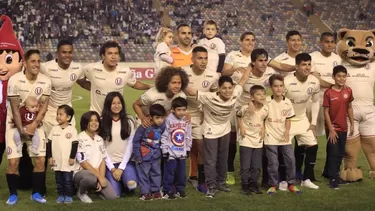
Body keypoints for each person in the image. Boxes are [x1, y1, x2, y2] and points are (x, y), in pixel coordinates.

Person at [184, 66, 251, 198]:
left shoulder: (235, 93)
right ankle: (211, 186)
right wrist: (179, 77)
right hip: (210, 130)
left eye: (229, 88)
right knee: (211, 159)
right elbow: (191, 91)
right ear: (219, 89)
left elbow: (243, 81)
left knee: (223, 158)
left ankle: (221, 182)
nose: (227, 91)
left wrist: (249, 66)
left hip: (225, 129)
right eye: (224, 88)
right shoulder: (208, 97)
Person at [5, 49, 51, 205]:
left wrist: (32, 126)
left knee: (40, 159)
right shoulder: (15, 80)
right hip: (14, 126)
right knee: (13, 162)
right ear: (24, 63)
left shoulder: (45, 81)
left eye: (39, 61)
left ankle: (36, 193)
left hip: (35, 125)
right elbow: (15, 107)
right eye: (33, 61)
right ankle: (13, 195)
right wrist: (21, 129)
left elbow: (44, 107)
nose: (37, 64)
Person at [181, 46, 219, 192]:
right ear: (192, 59)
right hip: (181, 115)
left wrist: (206, 112)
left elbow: (214, 96)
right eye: (200, 58)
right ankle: (173, 180)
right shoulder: (183, 72)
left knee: (202, 147)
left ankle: (201, 180)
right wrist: (180, 113)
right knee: (176, 147)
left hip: (199, 115)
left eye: (205, 58)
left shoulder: (213, 76)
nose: (203, 61)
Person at [83, 41, 152, 114]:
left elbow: (134, 84)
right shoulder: (92, 68)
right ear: (103, 56)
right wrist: (91, 87)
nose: (113, 57)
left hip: (116, 116)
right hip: (97, 116)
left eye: (116, 53)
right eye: (110, 53)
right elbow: (80, 77)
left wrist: (148, 86)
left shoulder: (125, 71)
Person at [284, 53, 320, 190]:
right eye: (304, 64)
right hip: (287, 120)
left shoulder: (314, 81)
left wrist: (313, 123)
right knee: (284, 150)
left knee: (313, 146)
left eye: (309, 64)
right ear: (296, 66)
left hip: (302, 119)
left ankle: (307, 178)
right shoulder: (287, 81)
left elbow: (316, 101)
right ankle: (284, 179)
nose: (307, 67)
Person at [40, 39, 87, 135]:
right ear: (57, 53)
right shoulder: (46, 68)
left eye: (70, 52)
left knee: (68, 143)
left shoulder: (77, 68)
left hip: (68, 111)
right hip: (50, 112)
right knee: (49, 145)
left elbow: (83, 83)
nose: (67, 55)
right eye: (64, 52)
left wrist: (101, 87)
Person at [264, 74, 301, 195]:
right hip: (270, 136)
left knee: (290, 160)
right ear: (271, 87)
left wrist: (287, 132)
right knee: (273, 163)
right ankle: (273, 185)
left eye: (281, 86)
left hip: (284, 136)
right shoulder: (266, 101)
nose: (278, 89)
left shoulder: (288, 102)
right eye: (275, 86)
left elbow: (288, 119)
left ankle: (291, 184)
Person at [100, 92, 138, 197]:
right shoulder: (102, 121)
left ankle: (124, 180)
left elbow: (130, 145)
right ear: (108, 105)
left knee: (132, 185)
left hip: (125, 163)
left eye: (119, 103)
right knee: (115, 194)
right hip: (109, 164)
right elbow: (101, 148)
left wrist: (121, 168)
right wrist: (112, 168)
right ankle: (118, 182)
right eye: (113, 103)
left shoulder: (128, 120)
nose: (117, 106)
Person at [74, 111, 118, 203]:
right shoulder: (79, 138)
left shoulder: (100, 139)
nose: (94, 123)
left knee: (112, 197)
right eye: (91, 121)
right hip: (82, 173)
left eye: (96, 120)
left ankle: (94, 190)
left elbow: (102, 161)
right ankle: (81, 192)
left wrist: (101, 177)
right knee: (90, 179)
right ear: (86, 123)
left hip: (97, 173)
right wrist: (99, 178)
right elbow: (84, 163)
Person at [322, 65, 354, 189]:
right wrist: (331, 129)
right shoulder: (328, 93)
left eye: (344, 76)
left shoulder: (348, 91)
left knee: (340, 153)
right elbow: (325, 112)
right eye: (339, 76)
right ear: (333, 77)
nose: (341, 79)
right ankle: (333, 179)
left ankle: (328, 173)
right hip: (333, 128)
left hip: (344, 127)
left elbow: (349, 108)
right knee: (334, 153)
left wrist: (352, 123)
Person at [309, 32, 342, 138]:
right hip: (316, 99)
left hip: (333, 99)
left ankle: (332, 154)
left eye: (332, 42)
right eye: (327, 42)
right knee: (312, 131)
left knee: (331, 130)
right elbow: (316, 80)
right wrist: (334, 86)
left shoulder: (337, 59)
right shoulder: (313, 57)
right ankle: (308, 153)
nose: (330, 45)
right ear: (321, 43)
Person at [237, 85, 268, 195]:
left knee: (256, 165)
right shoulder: (246, 108)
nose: (262, 96)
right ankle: (245, 186)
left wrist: (263, 130)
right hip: (246, 139)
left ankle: (254, 184)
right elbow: (238, 116)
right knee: (246, 165)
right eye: (259, 94)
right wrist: (241, 128)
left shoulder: (265, 108)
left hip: (258, 139)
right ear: (252, 97)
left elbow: (263, 119)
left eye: (263, 94)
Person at [133, 104, 166, 201]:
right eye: (157, 118)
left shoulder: (163, 126)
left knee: (156, 173)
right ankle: (145, 193)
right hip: (143, 156)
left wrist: (161, 153)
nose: (160, 120)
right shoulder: (143, 127)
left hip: (155, 156)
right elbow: (135, 141)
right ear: (150, 117)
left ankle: (155, 191)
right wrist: (138, 156)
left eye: (161, 117)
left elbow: (164, 139)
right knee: (143, 175)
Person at [161, 97, 192, 199]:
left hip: (182, 152)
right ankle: (167, 190)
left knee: (181, 174)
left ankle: (180, 190)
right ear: (173, 109)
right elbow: (164, 136)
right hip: (171, 153)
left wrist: (188, 148)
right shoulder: (168, 120)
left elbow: (188, 135)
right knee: (169, 173)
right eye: (179, 110)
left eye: (184, 110)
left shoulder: (186, 120)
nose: (181, 112)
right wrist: (165, 150)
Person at [46, 104, 78, 204]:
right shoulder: (54, 129)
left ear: (68, 117)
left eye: (61, 114)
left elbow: (75, 144)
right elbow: (49, 143)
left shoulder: (72, 130)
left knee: (67, 180)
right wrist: (50, 157)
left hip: (68, 161)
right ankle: (61, 195)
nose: (58, 116)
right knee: (59, 180)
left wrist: (72, 157)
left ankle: (68, 195)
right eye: (57, 114)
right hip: (57, 160)